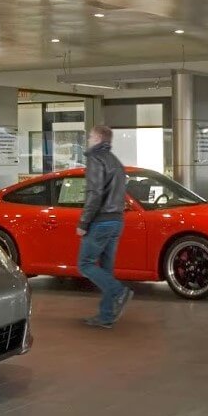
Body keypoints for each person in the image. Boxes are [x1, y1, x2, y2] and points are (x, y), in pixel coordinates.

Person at [77, 125, 132, 328]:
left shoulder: (95, 159)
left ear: (99, 138)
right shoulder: (116, 162)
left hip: (100, 220)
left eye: (90, 136)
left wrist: (84, 222)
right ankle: (107, 316)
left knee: (85, 264)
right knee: (106, 270)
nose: (88, 139)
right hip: (117, 220)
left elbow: (95, 193)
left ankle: (119, 292)